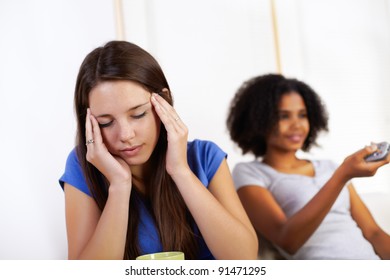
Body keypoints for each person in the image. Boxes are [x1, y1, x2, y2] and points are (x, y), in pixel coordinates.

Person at [59, 41, 257, 260]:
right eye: (106, 122)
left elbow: (244, 259)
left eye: (138, 114)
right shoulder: (83, 165)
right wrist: (119, 186)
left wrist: (180, 170)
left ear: (164, 102)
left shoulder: (205, 157)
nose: (125, 135)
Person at [226, 73, 390, 260]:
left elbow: (373, 233)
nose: (297, 125)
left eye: (303, 115)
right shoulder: (249, 173)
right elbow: (287, 240)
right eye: (284, 116)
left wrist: (341, 172)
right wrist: (343, 174)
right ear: (258, 121)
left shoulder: (329, 167)